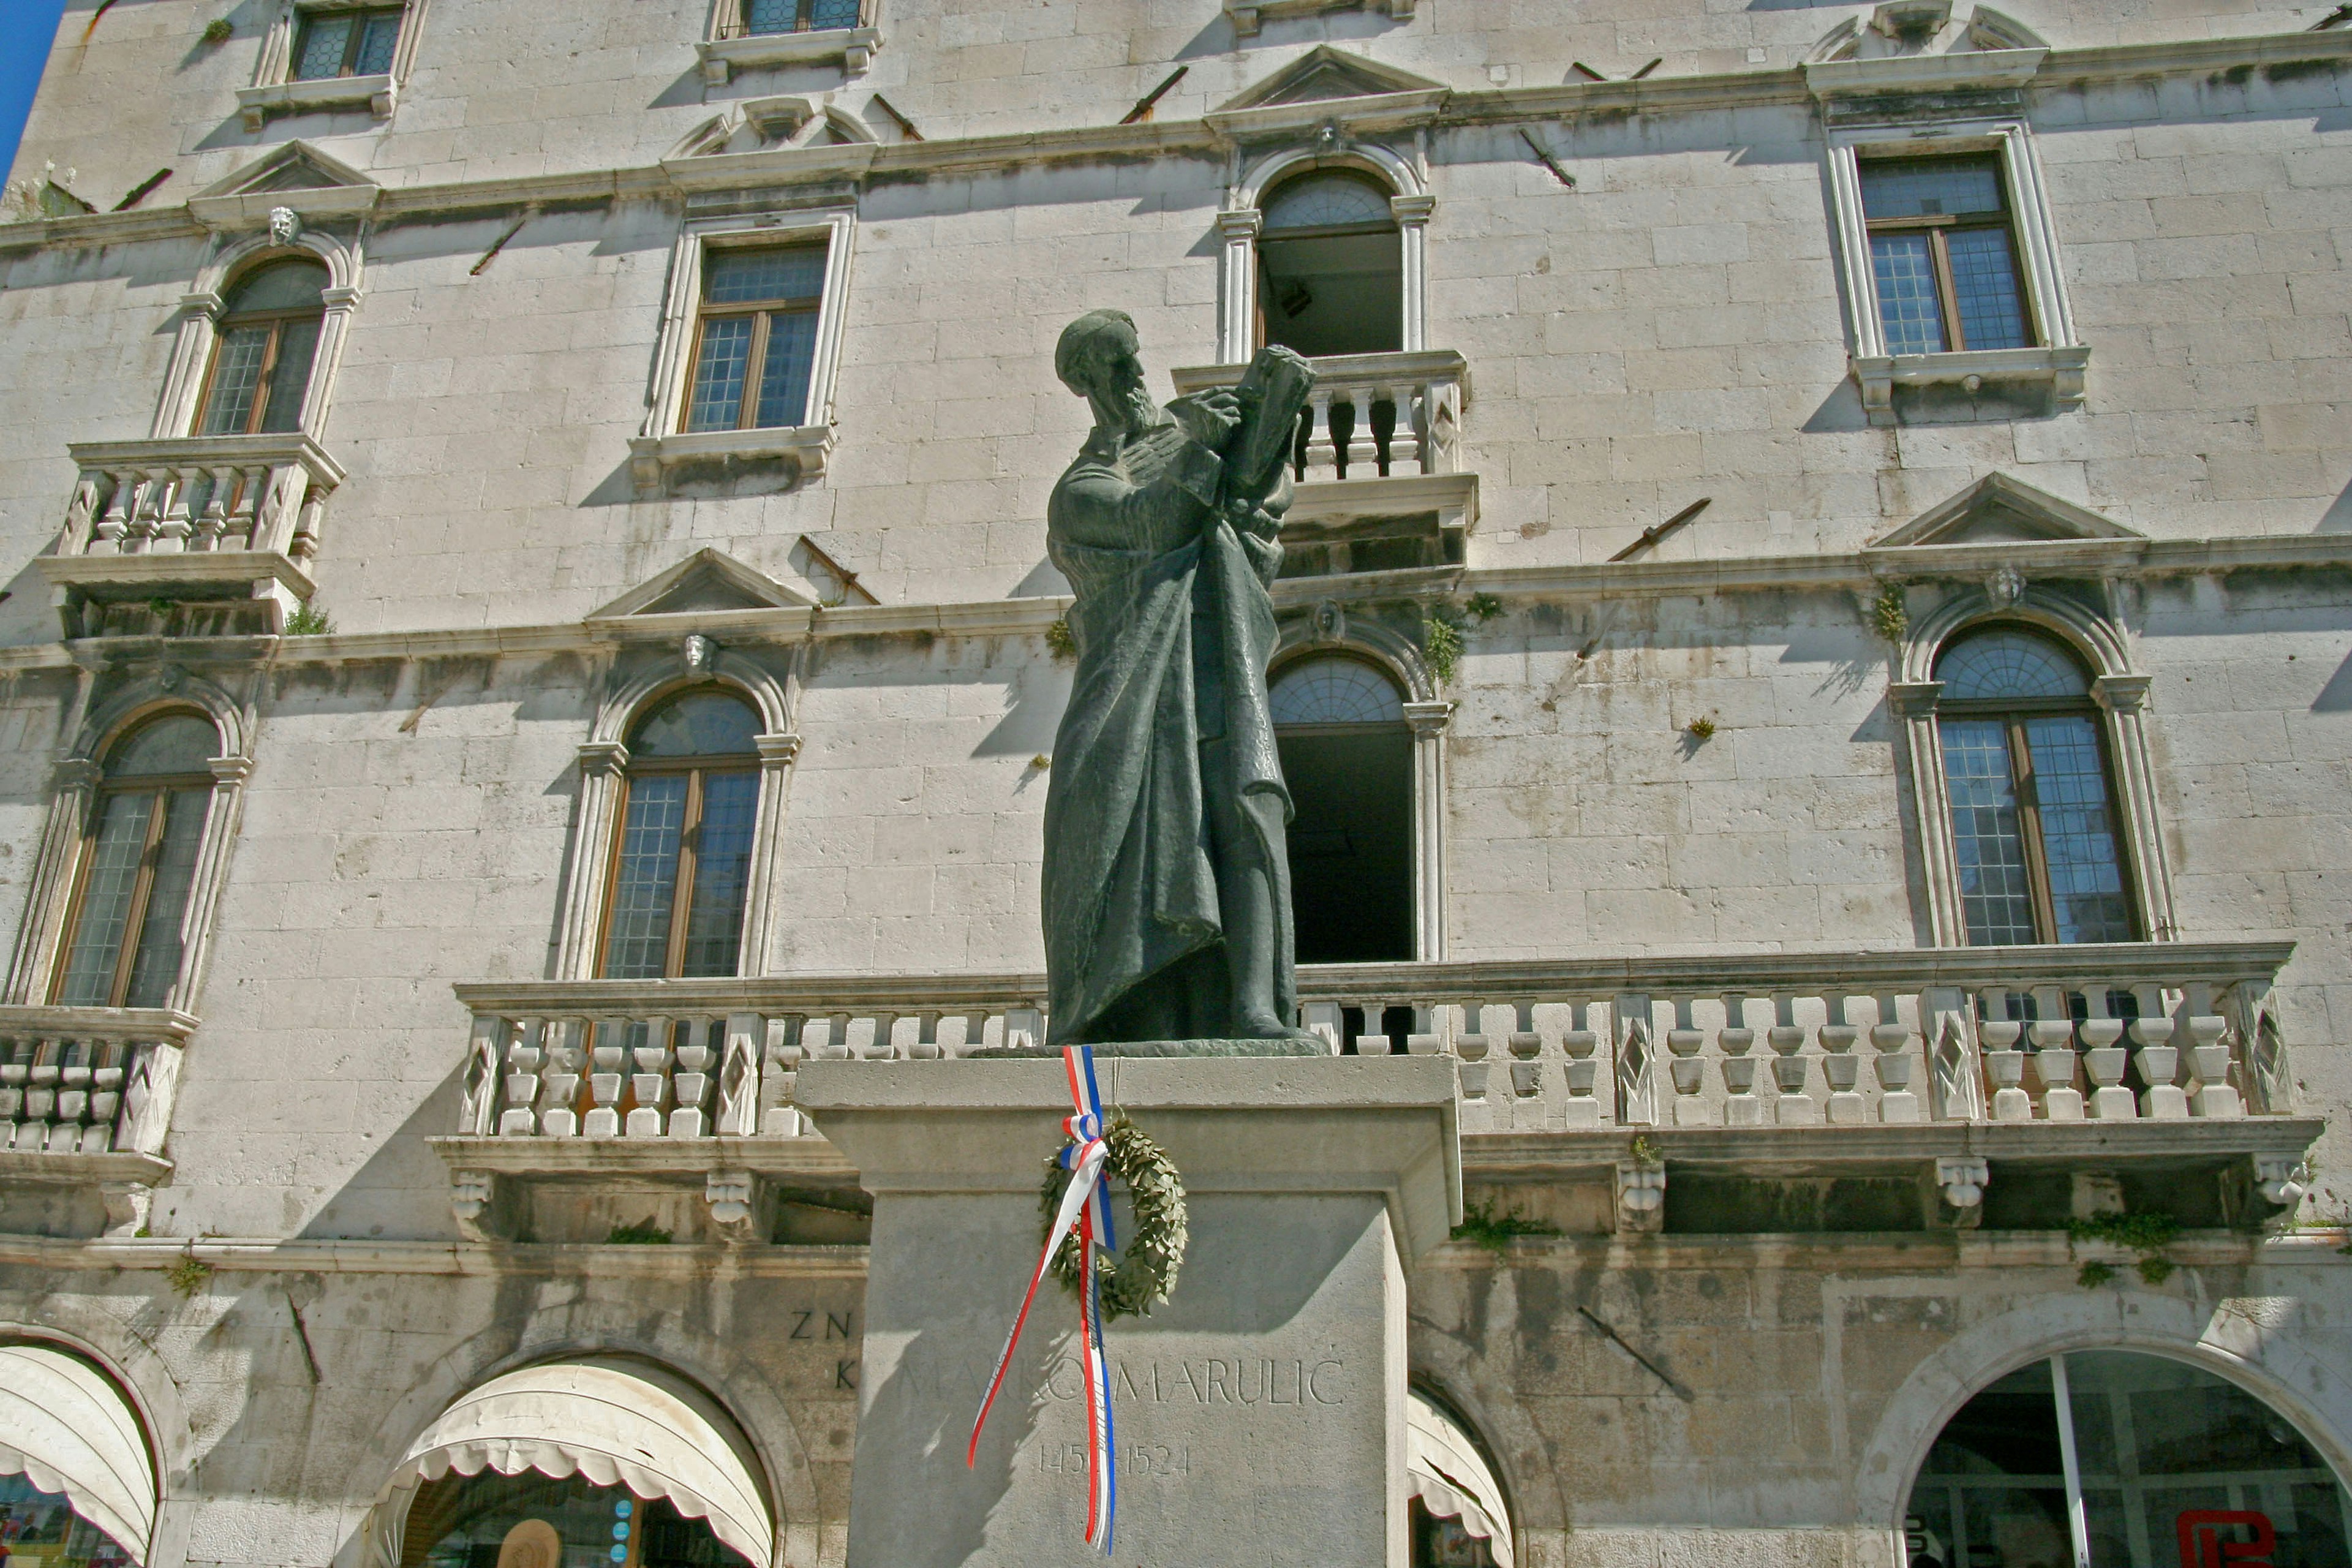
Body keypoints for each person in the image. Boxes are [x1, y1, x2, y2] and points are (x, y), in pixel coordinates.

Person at [1039, 309, 1317, 1047]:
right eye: (1116, 366)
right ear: (1087, 383)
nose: (1135, 376)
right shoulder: (1081, 488)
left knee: (1247, 817)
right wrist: (1205, 448)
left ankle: (1257, 1009)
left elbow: (1252, 506)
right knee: (1151, 852)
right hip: (1134, 698)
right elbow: (1150, 522)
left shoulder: (1181, 437)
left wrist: (1262, 434)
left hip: (1219, 664)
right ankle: (1145, 1012)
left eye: (1134, 359)